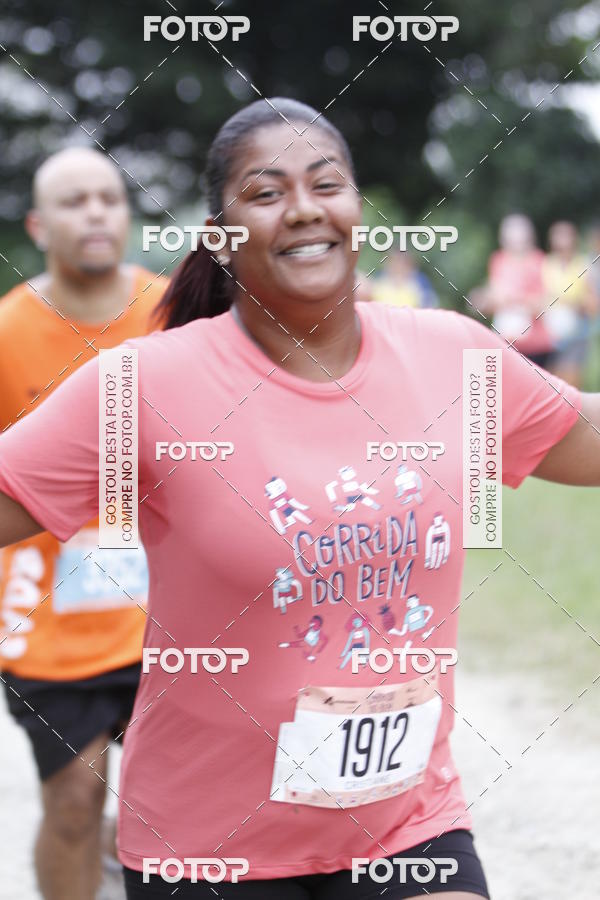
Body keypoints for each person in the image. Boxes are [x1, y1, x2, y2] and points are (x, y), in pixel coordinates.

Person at [0, 98, 598, 900]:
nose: (305, 208)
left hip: (405, 823)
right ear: (219, 234)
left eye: (327, 183)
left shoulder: (453, 356)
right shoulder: (145, 384)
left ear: (357, 210)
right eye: (266, 191)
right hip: (211, 848)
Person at [0, 146, 168, 900]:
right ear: (38, 224)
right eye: (74, 201)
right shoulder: (7, 333)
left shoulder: (177, 315)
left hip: (172, 611)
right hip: (48, 617)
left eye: (109, 196)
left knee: (177, 808)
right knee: (73, 801)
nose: (96, 211)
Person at [479, 213, 557, 369]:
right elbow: (493, 298)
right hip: (504, 341)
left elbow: (547, 303)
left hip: (535, 345)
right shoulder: (498, 260)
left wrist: (514, 298)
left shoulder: (541, 261)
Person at [542, 220, 597, 388]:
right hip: (550, 336)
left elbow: (593, 304)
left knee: (570, 384)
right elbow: (541, 298)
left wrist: (571, 303)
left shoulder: (584, 264)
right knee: (551, 382)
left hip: (577, 334)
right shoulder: (547, 264)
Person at [366, 249, 439, 309]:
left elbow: (429, 306)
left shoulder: (420, 282)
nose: (397, 265)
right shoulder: (379, 279)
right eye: (394, 261)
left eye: (401, 261)